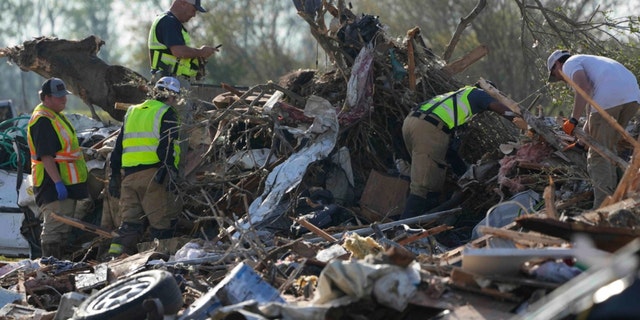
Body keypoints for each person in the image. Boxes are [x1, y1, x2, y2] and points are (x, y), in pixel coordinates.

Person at [401, 82, 521, 219]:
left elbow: (450, 153)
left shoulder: (457, 97)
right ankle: (402, 228)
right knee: (423, 185)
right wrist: (524, 123)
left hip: (412, 122)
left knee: (428, 177)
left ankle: (421, 223)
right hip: (429, 128)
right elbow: (497, 107)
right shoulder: (479, 93)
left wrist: (463, 173)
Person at [548, 49, 640, 208]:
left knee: (598, 156)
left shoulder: (569, 63)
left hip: (609, 100)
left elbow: (584, 89)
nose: (561, 79)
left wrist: (573, 120)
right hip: (632, 98)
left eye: (555, 75)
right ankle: (619, 201)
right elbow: (592, 109)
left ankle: (602, 208)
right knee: (609, 150)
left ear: (557, 64)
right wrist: (582, 140)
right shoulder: (592, 61)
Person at [107, 76, 184, 256]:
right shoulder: (167, 112)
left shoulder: (132, 111)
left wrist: (114, 175)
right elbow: (168, 145)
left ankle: (113, 259)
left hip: (129, 178)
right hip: (153, 177)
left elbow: (118, 146)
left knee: (129, 226)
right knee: (162, 227)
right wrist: (169, 170)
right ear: (172, 96)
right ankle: (160, 265)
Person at [26, 78, 89, 258]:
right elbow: (46, 156)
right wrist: (58, 183)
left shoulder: (55, 116)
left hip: (65, 182)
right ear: (45, 97)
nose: (64, 99)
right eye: (58, 96)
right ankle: (50, 267)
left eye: (64, 96)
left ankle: (59, 267)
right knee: (54, 228)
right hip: (51, 184)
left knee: (63, 229)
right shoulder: (42, 120)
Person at [148, 0, 219, 82]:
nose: (194, 15)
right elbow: (179, 52)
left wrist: (198, 56)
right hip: (167, 82)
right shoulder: (168, 22)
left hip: (170, 80)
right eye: (193, 10)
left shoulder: (170, 21)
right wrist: (201, 52)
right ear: (183, 3)